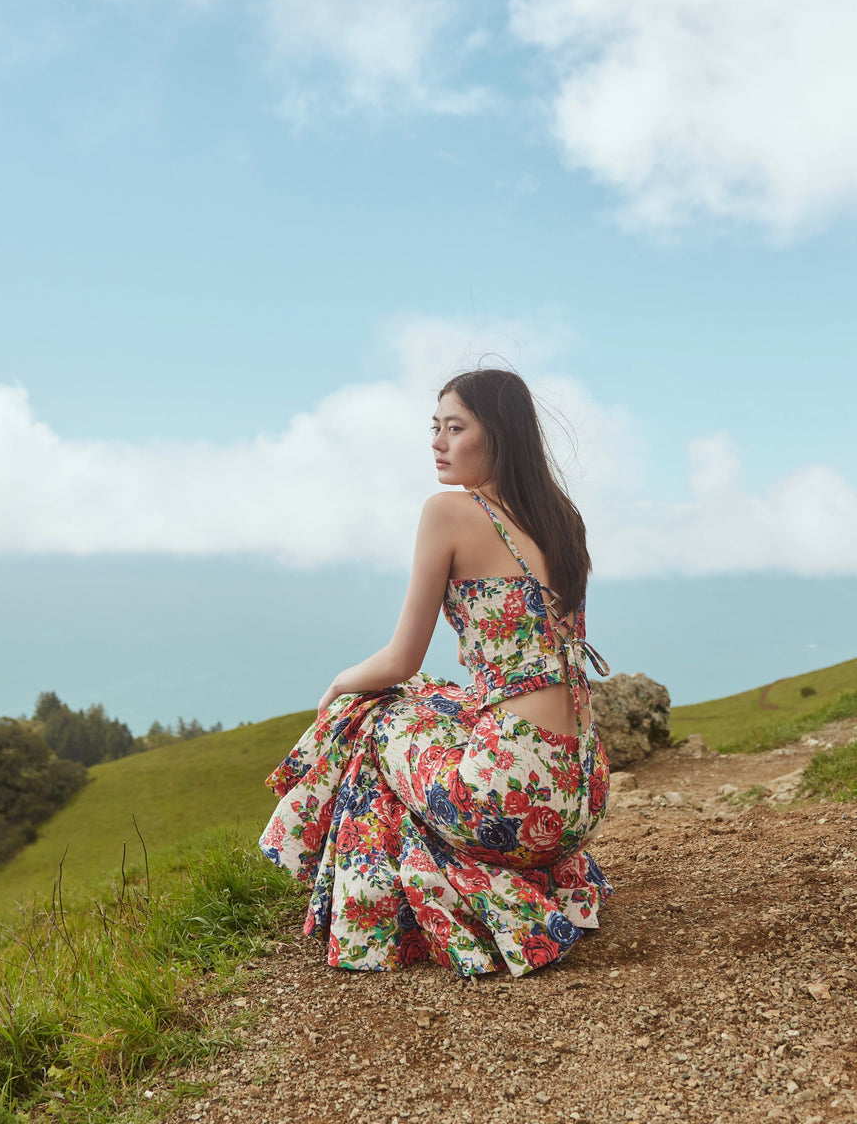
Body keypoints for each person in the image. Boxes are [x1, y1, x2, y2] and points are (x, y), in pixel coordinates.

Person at [259, 367, 612, 976]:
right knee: (427, 702)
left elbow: (401, 659)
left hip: (508, 800)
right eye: (435, 427)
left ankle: (368, 918)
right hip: (580, 792)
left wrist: (342, 683)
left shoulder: (450, 512)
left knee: (373, 714)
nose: (438, 443)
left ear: (499, 436)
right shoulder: (562, 517)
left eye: (456, 428)